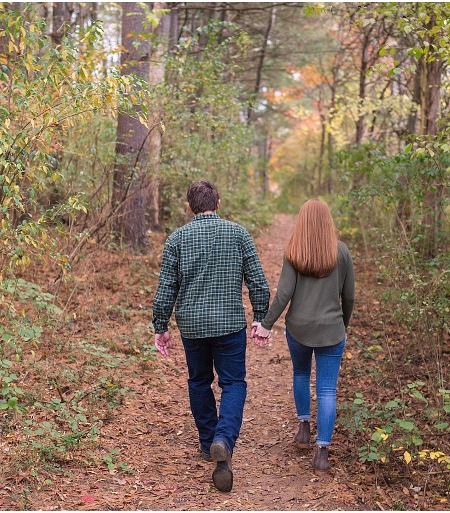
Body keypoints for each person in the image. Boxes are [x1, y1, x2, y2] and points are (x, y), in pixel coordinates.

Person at [151, 181, 270, 493]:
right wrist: (260, 317)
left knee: (199, 381)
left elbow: (166, 289)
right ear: (218, 202)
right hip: (230, 323)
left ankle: (208, 443)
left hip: (192, 326)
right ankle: (224, 439)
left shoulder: (176, 239)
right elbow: (258, 282)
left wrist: (160, 326)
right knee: (233, 383)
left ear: (191, 207)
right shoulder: (238, 234)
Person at [253, 198, 355, 474]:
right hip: (332, 331)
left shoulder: (294, 250)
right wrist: (342, 325)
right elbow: (349, 296)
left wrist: (265, 323)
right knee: (326, 390)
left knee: (300, 374)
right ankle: (322, 453)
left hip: (298, 328)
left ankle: (303, 430)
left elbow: (284, 293)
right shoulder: (342, 252)